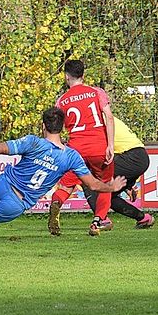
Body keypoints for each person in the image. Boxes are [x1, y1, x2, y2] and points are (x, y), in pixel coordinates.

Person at [0, 107, 126, 232]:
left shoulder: (32, 142)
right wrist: (112, 187)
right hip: (16, 202)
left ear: (43, 126)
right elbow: (92, 185)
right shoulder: (71, 156)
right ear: (63, 128)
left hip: (2, 183)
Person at [48, 59, 116, 236]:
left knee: (66, 186)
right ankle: (97, 222)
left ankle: (57, 204)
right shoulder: (96, 92)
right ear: (83, 75)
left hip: (75, 150)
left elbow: (51, 125)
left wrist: (56, 148)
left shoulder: (62, 100)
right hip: (98, 147)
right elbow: (108, 117)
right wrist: (110, 145)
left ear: (66, 77)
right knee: (106, 184)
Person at [82, 115, 155, 229]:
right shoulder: (103, 117)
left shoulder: (97, 121)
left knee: (89, 182)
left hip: (130, 157)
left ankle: (102, 220)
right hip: (140, 157)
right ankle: (143, 218)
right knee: (108, 196)